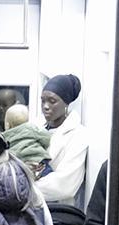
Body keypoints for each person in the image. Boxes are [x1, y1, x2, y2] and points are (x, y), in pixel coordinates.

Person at [36, 74, 90, 206]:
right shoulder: (36, 128)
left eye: (52, 101)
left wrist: (24, 188)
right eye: (43, 101)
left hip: (57, 211)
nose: (46, 106)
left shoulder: (78, 135)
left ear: (66, 103)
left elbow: (65, 185)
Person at [3, 104, 52, 178]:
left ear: (7, 125)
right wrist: (41, 146)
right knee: (49, 177)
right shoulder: (31, 129)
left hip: (21, 165)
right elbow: (46, 137)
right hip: (39, 161)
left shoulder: (5, 136)